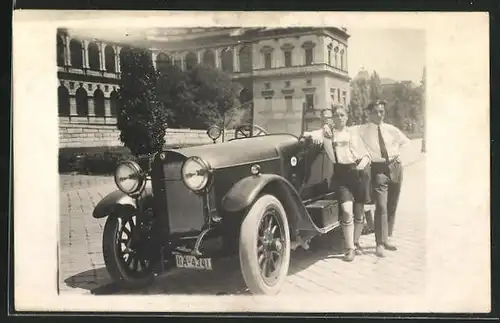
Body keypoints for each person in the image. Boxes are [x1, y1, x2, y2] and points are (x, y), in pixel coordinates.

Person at [305, 106, 371, 262]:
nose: (339, 118)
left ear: (346, 117)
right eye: (336, 115)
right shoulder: (327, 134)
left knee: (359, 213)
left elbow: (366, 154)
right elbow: (311, 134)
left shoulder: (354, 133)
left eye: (342, 115)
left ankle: (354, 242)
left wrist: (363, 164)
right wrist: (308, 135)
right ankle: (349, 249)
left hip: (358, 173)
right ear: (332, 118)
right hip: (341, 175)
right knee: (347, 211)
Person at [357, 100, 411, 258]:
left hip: (395, 167)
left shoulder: (391, 129)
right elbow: (342, 130)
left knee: (392, 204)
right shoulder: (362, 130)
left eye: (382, 111)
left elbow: (406, 142)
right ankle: (379, 243)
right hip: (379, 169)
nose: (379, 115)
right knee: (381, 206)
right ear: (369, 113)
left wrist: (402, 159)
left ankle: (387, 239)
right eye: (376, 112)